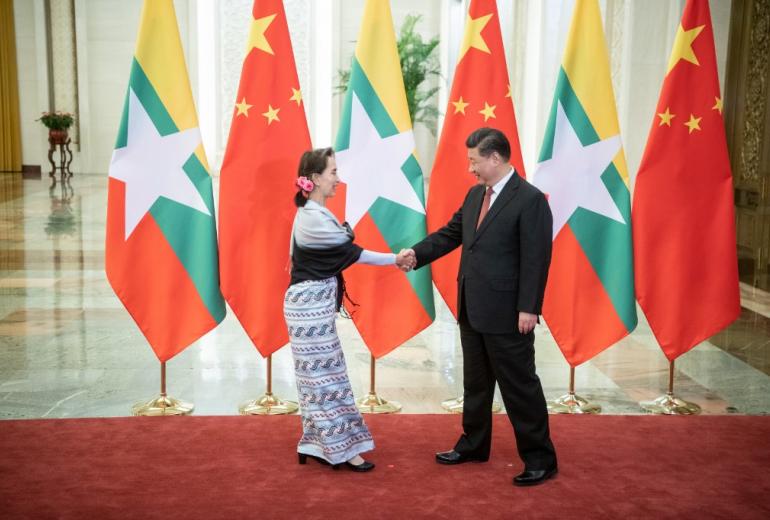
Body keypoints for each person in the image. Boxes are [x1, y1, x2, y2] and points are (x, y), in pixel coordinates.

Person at [397, 127, 558, 486]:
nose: (470, 168)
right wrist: (416, 254)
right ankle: (473, 444)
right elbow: (451, 235)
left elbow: (537, 259)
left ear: (495, 158)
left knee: (519, 386)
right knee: (476, 384)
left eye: (474, 160)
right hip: (472, 307)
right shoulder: (475, 196)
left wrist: (529, 308)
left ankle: (540, 458)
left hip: (509, 313)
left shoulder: (530, 199)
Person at [285, 147, 412, 472]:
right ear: (314, 179)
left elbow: (344, 248)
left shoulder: (315, 214)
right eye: (333, 173)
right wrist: (395, 260)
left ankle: (315, 443)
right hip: (308, 307)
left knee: (318, 379)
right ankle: (340, 449)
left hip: (312, 305)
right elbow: (352, 252)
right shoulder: (313, 216)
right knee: (327, 378)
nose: (338, 179)